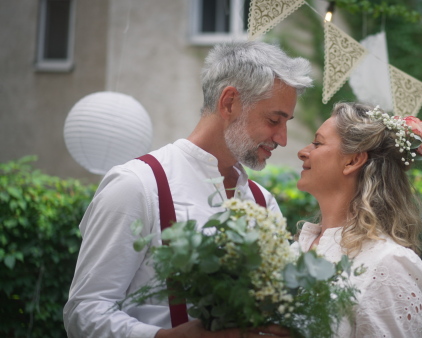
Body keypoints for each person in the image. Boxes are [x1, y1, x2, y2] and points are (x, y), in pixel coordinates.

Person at [63, 41, 312, 338]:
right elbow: (84, 310)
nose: (282, 139)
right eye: (274, 120)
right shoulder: (137, 184)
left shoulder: (263, 201)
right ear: (229, 102)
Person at [293, 102, 422, 337]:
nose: (303, 151)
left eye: (317, 143)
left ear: (352, 161)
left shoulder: (388, 263)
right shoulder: (298, 247)